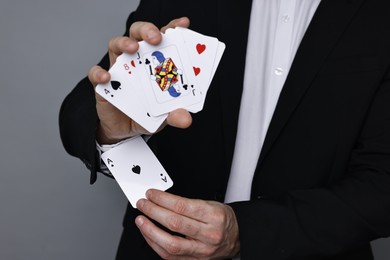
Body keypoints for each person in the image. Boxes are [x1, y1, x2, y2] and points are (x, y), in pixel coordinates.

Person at [59, 0, 390, 259]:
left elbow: (382, 183)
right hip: (157, 250)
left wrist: (246, 232)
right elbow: (78, 112)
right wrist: (113, 131)